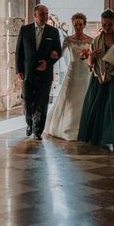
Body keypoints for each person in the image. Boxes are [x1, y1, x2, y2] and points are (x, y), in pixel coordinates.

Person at [78, 9, 114, 150]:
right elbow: (89, 64)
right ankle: (96, 138)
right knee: (97, 109)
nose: (107, 28)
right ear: (101, 24)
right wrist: (92, 56)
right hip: (100, 79)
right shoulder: (96, 41)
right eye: (104, 25)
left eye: (110, 25)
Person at [15, 4, 62, 140]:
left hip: (45, 73)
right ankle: (29, 123)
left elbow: (58, 52)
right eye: (42, 14)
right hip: (28, 73)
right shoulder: (25, 30)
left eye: (46, 14)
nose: (45, 17)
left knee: (42, 102)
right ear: (35, 16)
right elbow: (19, 52)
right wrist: (19, 70)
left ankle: (38, 131)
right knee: (27, 100)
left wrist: (48, 62)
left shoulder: (53, 32)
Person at [44, 12, 93, 140]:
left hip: (86, 72)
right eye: (75, 24)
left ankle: (86, 126)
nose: (78, 27)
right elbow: (59, 53)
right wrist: (52, 55)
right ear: (72, 24)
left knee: (85, 98)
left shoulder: (90, 40)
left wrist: (89, 56)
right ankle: (68, 127)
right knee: (70, 99)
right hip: (73, 71)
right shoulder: (68, 40)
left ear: (84, 25)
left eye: (80, 24)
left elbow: (93, 57)